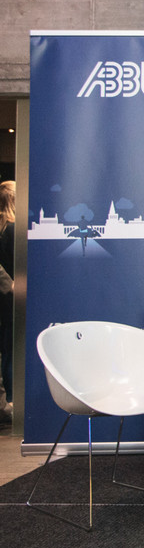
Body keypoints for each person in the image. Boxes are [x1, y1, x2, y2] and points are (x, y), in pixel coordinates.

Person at [0, 180, 16, 428]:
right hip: (13, 296)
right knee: (12, 348)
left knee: (6, 348)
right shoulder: (13, 228)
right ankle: (12, 402)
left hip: (6, 298)